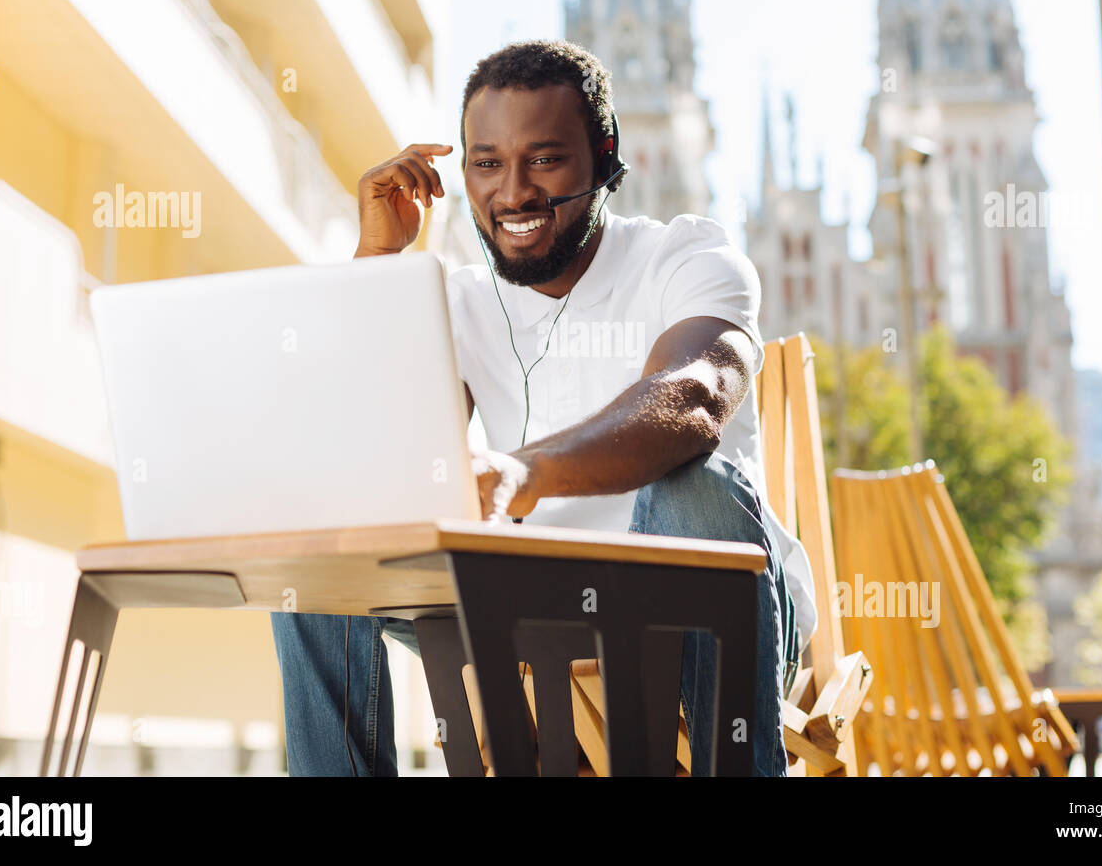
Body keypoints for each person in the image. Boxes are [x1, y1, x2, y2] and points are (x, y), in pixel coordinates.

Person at [269, 39, 816, 776]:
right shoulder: (457, 303)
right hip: (528, 622)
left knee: (695, 484)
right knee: (319, 532)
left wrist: (521, 474)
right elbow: (363, 454)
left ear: (605, 157)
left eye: (546, 159)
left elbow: (693, 398)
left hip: (703, 626)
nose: (513, 192)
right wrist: (376, 267)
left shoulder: (688, 259)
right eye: (487, 163)